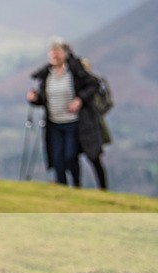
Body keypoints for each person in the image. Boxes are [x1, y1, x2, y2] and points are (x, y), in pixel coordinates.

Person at [27, 39, 101, 188]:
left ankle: (76, 184)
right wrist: (34, 99)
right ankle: (62, 187)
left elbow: (94, 84)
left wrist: (79, 100)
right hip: (53, 124)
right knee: (57, 158)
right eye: (52, 52)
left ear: (65, 54)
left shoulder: (75, 71)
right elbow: (44, 99)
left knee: (70, 155)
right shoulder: (47, 75)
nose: (54, 55)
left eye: (58, 52)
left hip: (73, 122)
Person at [80, 57, 113, 191]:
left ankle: (102, 188)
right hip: (77, 125)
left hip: (93, 126)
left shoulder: (95, 84)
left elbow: (105, 104)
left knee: (94, 157)